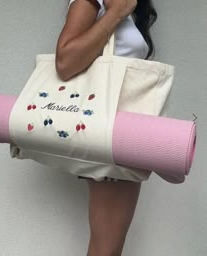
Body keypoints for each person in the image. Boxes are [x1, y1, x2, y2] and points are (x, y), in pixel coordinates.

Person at [55, 0, 157, 255]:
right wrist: (116, 12)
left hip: (126, 134)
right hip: (108, 133)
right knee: (106, 248)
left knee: (109, 246)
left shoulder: (133, 7)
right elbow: (66, 61)